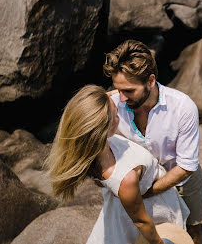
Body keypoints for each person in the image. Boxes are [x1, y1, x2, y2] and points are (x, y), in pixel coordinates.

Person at [44, 85, 189, 244]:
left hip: (125, 202)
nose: (119, 112)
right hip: (150, 205)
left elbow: (96, 103)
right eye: (115, 115)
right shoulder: (125, 178)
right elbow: (142, 222)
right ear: (102, 130)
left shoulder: (88, 151)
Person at [103, 40, 202, 244]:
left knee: (192, 227)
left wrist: (144, 193)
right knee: (142, 232)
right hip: (139, 181)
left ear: (151, 81)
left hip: (182, 181)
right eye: (118, 89)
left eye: (129, 91)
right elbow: (84, 113)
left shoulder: (183, 107)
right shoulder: (114, 103)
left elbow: (186, 166)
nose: (122, 99)